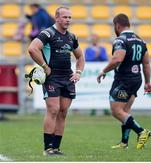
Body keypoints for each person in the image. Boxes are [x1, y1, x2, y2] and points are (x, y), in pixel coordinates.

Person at [28, 6, 85, 156]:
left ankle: (56, 148)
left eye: (69, 17)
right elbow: (33, 48)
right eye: (65, 17)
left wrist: (78, 72)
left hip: (68, 78)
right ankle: (48, 148)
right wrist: (44, 66)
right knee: (53, 110)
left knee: (63, 112)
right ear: (57, 18)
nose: (68, 20)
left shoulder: (72, 37)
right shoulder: (48, 33)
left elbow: (80, 56)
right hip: (52, 77)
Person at [97, 13, 151, 149]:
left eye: (114, 27)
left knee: (116, 111)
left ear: (117, 25)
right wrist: (147, 82)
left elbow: (117, 59)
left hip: (124, 79)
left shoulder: (120, 40)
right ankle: (124, 142)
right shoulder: (141, 41)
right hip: (136, 79)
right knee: (125, 110)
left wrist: (104, 71)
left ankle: (141, 131)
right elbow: (146, 63)